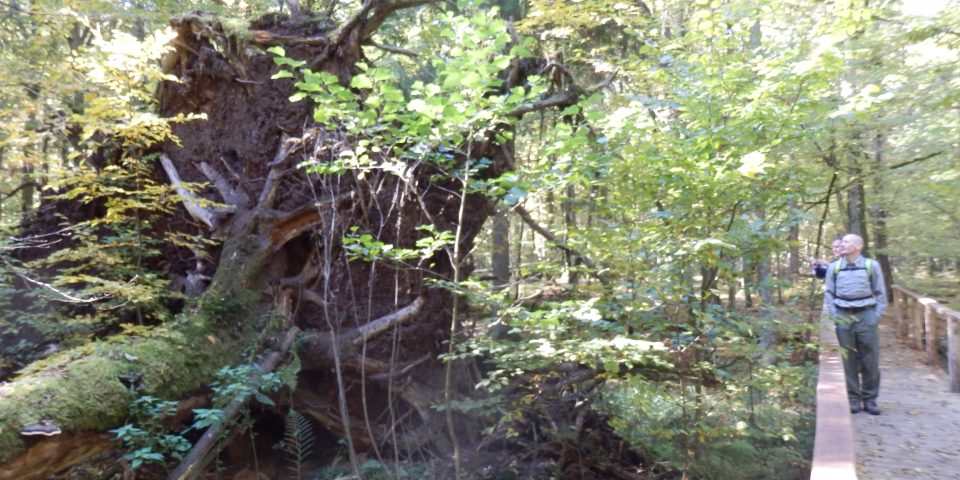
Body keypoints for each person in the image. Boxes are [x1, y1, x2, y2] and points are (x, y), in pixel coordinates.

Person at [824, 233, 887, 415]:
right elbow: (829, 292)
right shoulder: (834, 267)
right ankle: (853, 398)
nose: (842, 245)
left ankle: (870, 399)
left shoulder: (871, 266)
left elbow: (881, 293)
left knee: (870, 359)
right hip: (843, 316)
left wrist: (875, 316)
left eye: (846, 242)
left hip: (866, 315)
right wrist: (835, 316)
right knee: (848, 359)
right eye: (841, 242)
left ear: (859, 246)